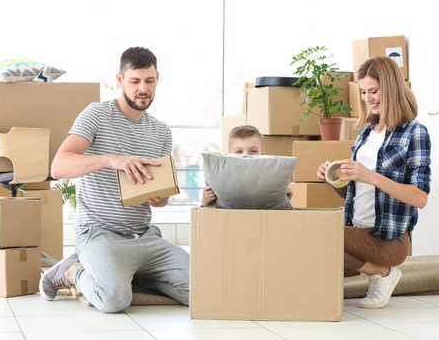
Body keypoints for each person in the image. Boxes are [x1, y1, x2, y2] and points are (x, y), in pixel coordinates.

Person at [39, 46, 190, 313]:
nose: (143, 88)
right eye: (135, 81)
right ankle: (72, 270)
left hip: (145, 237)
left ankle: (128, 275)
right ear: (120, 80)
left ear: (157, 79)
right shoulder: (96, 115)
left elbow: (161, 200)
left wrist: (160, 197)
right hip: (99, 235)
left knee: (206, 290)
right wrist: (111, 159)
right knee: (114, 300)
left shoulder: (162, 132)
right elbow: (59, 165)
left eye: (149, 80)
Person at [317, 56, 431, 309]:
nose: (368, 98)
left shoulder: (415, 132)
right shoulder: (366, 133)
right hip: (356, 230)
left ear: (390, 88)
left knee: (319, 235)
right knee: (314, 237)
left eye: (374, 91)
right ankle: (379, 272)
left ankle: (384, 272)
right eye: (364, 92)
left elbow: (420, 197)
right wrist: (333, 178)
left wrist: (371, 176)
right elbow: (355, 195)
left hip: (388, 239)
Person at [202, 125, 292, 206]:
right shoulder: (220, 177)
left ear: (263, 155)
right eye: (239, 151)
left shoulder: (273, 178)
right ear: (229, 156)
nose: (246, 155)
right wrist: (206, 202)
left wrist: (285, 197)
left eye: (253, 151)